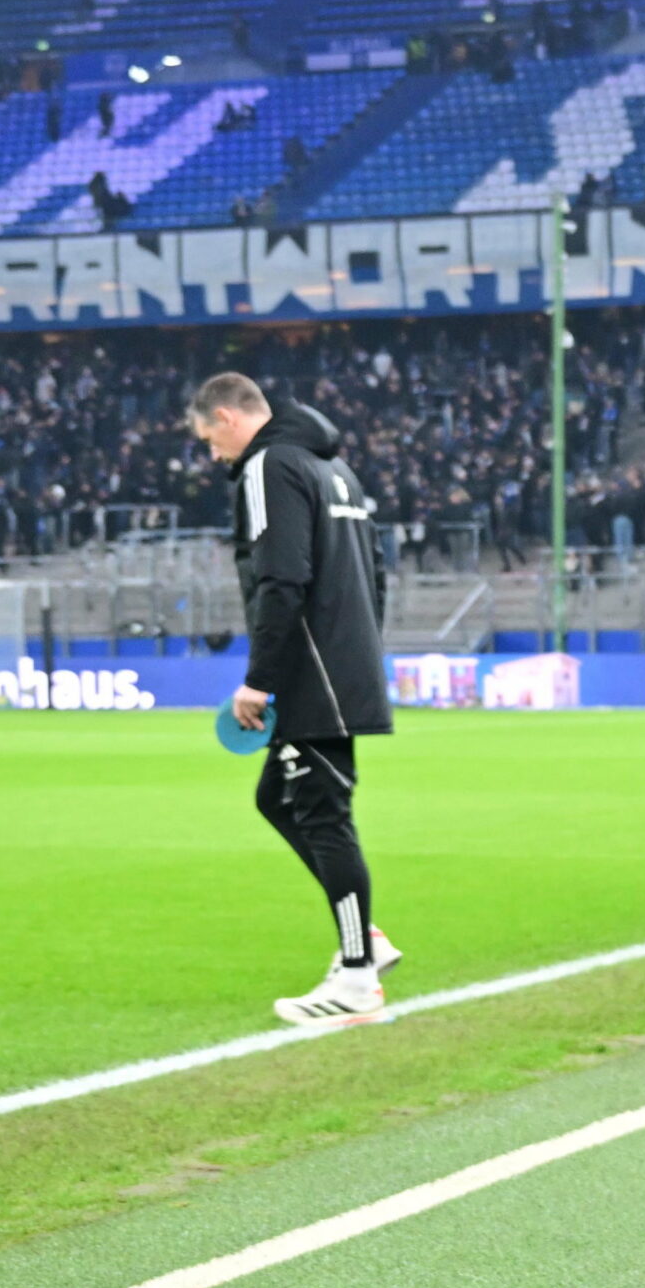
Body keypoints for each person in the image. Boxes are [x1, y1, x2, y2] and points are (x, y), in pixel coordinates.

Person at [188, 372, 400, 1024]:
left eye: (208, 441)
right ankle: (367, 940)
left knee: (322, 815)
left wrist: (261, 679)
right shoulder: (336, 470)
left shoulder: (267, 467)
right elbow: (377, 573)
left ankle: (358, 979)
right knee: (275, 798)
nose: (212, 457)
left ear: (227, 417)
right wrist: (357, 654)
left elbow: (280, 579)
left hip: (311, 673)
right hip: (344, 665)